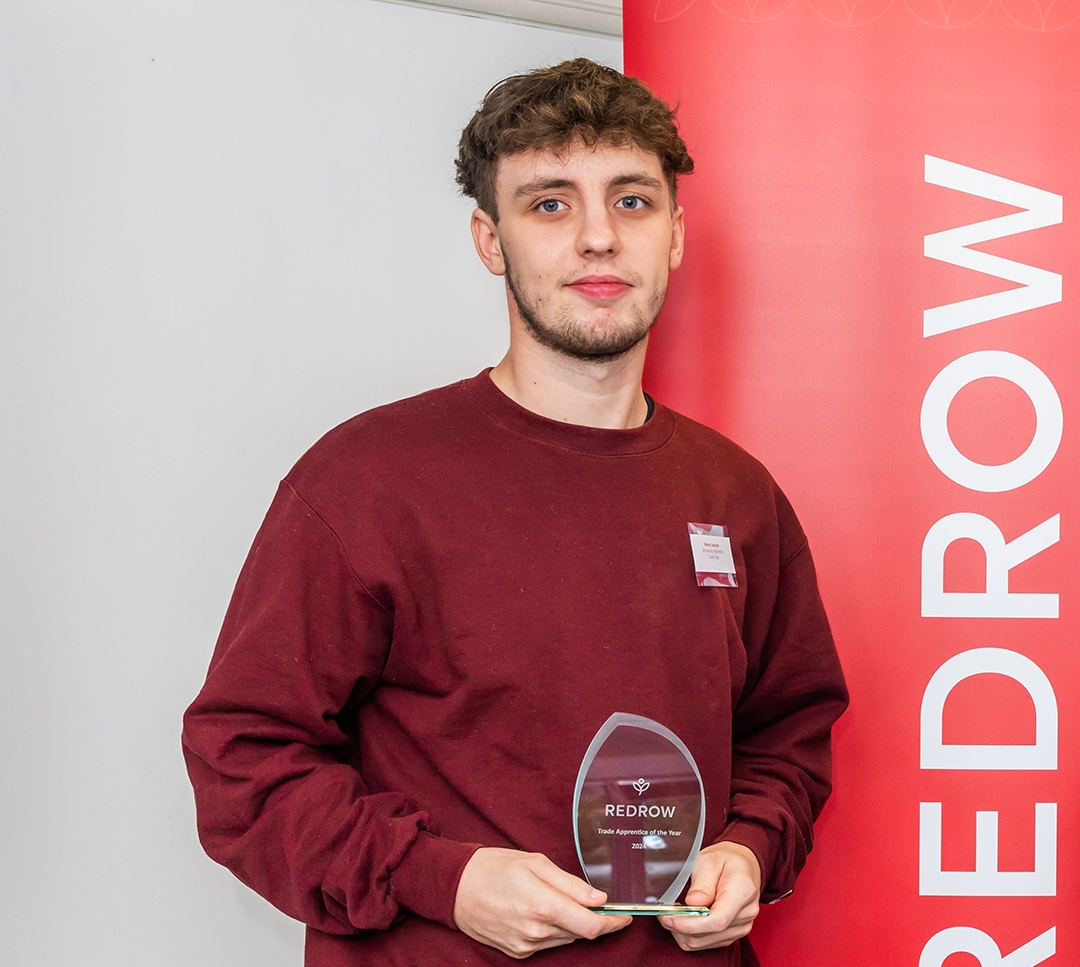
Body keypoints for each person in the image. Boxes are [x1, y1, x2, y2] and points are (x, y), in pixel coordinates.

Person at [182, 58, 847, 965]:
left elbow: (788, 735)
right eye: (549, 205)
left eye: (631, 201)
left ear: (676, 235)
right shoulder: (366, 483)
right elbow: (243, 764)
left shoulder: (736, 495)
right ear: (490, 241)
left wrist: (749, 847)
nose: (599, 239)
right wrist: (440, 878)